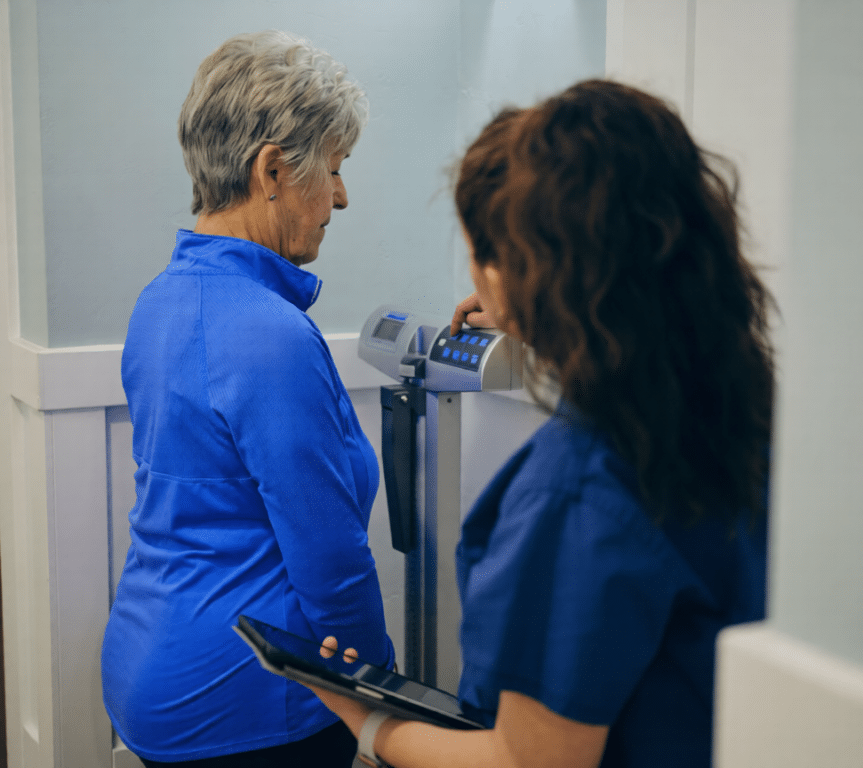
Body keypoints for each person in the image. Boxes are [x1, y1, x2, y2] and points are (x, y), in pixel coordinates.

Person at [306, 79, 774, 767]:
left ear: (513, 273)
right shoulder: (743, 412)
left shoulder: (580, 492)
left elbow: (532, 761)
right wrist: (533, 315)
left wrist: (371, 726)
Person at [101, 31, 395, 766]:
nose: (341, 196)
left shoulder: (158, 303)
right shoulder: (271, 335)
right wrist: (383, 698)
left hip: (149, 666)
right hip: (252, 703)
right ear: (271, 170)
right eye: (333, 167)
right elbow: (330, 558)